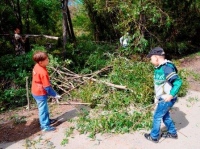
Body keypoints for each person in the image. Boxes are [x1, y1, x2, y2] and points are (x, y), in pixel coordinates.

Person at [144, 47, 182, 143]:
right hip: (162, 97)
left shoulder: (166, 67)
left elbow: (178, 82)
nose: (150, 61)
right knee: (165, 116)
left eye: (151, 58)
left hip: (166, 98)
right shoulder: (159, 67)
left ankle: (154, 136)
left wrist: (170, 95)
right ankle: (173, 133)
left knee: (157, 116)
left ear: (156, 57)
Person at [31, 51, 61, 132]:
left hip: (35, 90)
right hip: (39, 93)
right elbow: (47, 87)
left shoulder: (37, 65)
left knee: (45, 108)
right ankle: (44, 126)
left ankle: (47, 120)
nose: (48, 61)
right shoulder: (42, 72)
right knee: (43, 110)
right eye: (47, 60)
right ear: (40, 62)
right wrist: (55, 95)